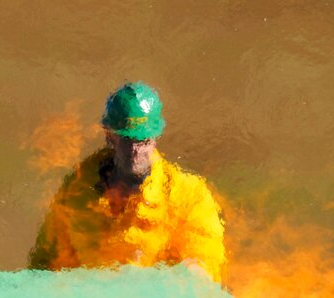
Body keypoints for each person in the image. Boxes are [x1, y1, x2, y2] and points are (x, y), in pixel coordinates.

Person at [29, 82, 226, 281]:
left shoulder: (188, 196)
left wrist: (183, 277)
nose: (135, 151)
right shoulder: (78, 190)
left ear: (156, 137)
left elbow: (205, 267)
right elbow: (45, 261)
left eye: (142, 141)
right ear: (109, 135)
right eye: (127, 140)